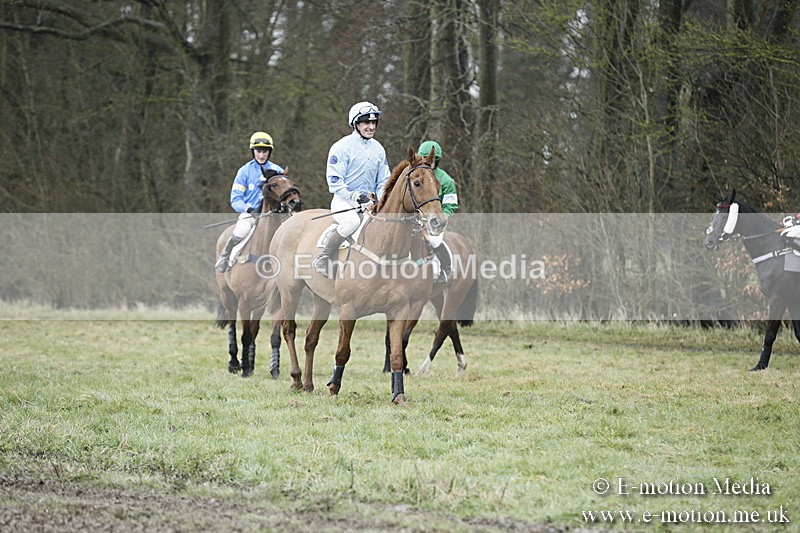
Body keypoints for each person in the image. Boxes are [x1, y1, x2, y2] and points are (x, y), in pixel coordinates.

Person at [313, 101, 391, 277]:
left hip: (370, 205)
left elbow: (384, 180)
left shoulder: (379, 149)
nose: (371, 127)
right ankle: (324, 257)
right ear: (356, 123)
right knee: (352, 223)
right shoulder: (341, 147)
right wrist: (357, 196)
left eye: (374, 123)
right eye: (366, 123)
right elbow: (334, 181)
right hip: (344, 203)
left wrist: (379, 200)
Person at [215, 131, 285, 272]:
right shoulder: (244, 172)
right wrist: (248, 209)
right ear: (253, 151)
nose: (261, 155)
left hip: (274, 215)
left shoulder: (278, 171)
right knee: (241, 230)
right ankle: (226, 255)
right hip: (251, 215)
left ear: (269, 152)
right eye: (258, 151)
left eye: (265, 152)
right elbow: (235, 199)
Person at [417, 140, 459, 283]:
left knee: (434, 240)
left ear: (437, 160)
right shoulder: (415, 175)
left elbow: (450, 205)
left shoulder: (446, 181)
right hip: (416, 217)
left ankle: (446, 268)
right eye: (423, 158)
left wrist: (441, 218)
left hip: (435, 219)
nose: (427, 161)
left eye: (431, 159)